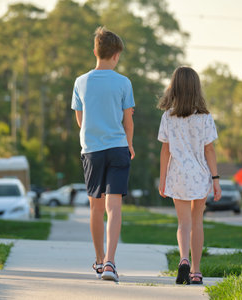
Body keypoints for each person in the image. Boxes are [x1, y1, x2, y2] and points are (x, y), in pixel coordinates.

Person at [71, 26, 135, 282]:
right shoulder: (123, 82)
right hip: (118, 148)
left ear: (94, 52)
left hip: (92, 150)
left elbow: (80, 119)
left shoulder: (81, 82)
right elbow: (128, 120)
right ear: (117, 55)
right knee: (114, 207)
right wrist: (129, 144)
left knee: (96, 208)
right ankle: (110, 263)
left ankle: (98, 261)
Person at [157, 66, 221, 285]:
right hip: (200, 175)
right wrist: (216, 179)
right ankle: (195, 270)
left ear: (174, 87)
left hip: (177, 175)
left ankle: (183, 259)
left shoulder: (168, 116)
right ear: (196, 88)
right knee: (197, 222)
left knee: (183, 223)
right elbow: (209, 150)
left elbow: (165, 150)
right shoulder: (204, 117)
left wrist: (163, 179)